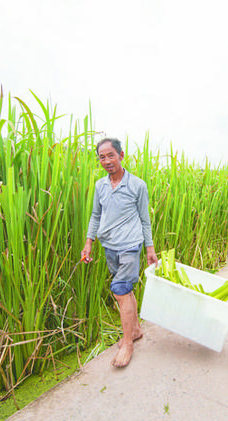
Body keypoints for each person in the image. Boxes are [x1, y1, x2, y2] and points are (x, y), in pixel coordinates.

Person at [81, 137, 158, 368]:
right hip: (109, 246)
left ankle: (127, 344)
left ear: (121, 155)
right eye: (102, 157)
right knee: (126, 290)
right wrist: (89, 243)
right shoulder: (100, 186)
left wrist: (149, 248)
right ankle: (134, 330)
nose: (106, 161)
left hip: (130, 245)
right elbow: (96, 215)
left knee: (121, 291)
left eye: (110, 155)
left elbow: (144, 219)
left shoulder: (137, 185)